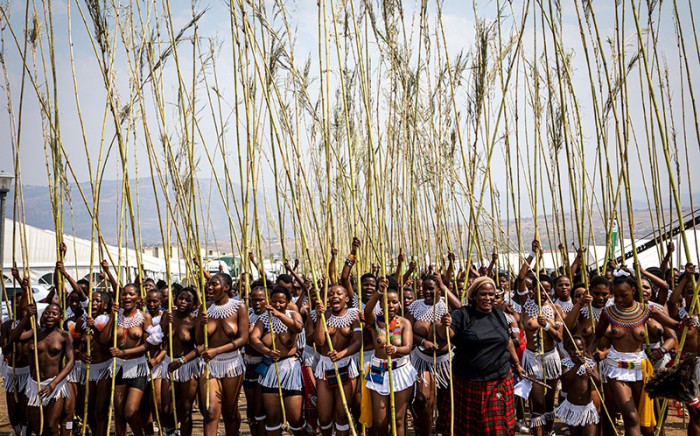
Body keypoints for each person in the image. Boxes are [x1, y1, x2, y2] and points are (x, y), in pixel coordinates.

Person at [588, 273, 687, 436]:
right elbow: (597, 335)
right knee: (631, 416)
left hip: (641, 368)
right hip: (616, 368)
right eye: (616, 295)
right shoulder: (608, 312)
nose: (619, 299)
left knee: (642, 420)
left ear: (633, 290)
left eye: (623, 295)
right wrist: (587, 354)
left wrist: (685, 323)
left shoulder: (647, 310)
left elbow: (676, 326)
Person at [437, 276, 525, 436]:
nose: (488, 298)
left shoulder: (499, 314)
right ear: (474, 296)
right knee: (469, 430)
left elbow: (507, 341)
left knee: (496, 431)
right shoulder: (462, 314)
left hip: (499, 380)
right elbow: (446, 335)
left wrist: (517, 365)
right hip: (468, 382)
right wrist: (444, 325)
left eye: (491, 294)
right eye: (483, 294)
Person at [196, 272, 249, 436]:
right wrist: (200, 322)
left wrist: (216, 351)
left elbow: (243, 339)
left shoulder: (239, 307)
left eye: (214, 284)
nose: (209, 287)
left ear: (226, 287)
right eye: (208, 284)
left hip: (232, 364)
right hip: (210, 365)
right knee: (211, 411)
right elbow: (198, 341)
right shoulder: (204, 310)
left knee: (230, 411)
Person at [406, 273, 459, 436]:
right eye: (424, 288)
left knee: (445, 400)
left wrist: (444, 287)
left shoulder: (447, 307)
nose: (426, 292)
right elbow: (406, 330)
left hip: (445, 361)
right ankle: (424, 430)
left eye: (431, 288)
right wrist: (422, 342)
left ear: (440, 289)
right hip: (421, 360)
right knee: (422, 399)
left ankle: (443, 430)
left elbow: (461, 308)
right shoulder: (415, 306)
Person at [363, 277, 416, 436]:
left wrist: (395, 349)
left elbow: (407, 347)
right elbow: (367, 311)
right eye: (387, 302)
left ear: (399, 304)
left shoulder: (404, 323)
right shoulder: (376, 321)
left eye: (394, 302)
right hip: (378, 370)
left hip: (400, 370)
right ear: (380, 304)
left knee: (399, 419)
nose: (391, 305)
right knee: (380, 421)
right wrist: (379, 291)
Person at [12, 302, 74, 436]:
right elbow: (15, 338)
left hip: (55, 385)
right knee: (37, 427)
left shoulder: (64, 335)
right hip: (35, 385)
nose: (50, 316)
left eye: (54, 313)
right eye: (47, 312)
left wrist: (54, 383)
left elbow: (71, 361)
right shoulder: (35, 333)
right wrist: (26, 317)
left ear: (60, 317)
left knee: (51, 426)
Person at [250, 286, 305, 435]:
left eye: (281, 302)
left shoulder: (294, 315)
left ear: (288, 302)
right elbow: (253, 338)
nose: (277, 305)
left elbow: (298, 328)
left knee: (295, 419)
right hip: (271, 371)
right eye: (274, 301)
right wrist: (267, 351)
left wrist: (279, 316)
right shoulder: (264, 319)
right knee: (273, 418)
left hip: (291, 369)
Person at [101, 284, 154, 436]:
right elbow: (104, 340)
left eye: (131, 294)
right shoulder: (116, 316)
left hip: (137, 367)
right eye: (124, 294)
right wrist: (112, 316)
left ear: (138, 298)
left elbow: (147, 346)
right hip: (118, 367)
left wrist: (123, 352)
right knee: (119, 414)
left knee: (130, 411)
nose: (127, 297)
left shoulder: (145, 317)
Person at [313, 284, 361, 436]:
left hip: (346, 365)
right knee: (325, 416)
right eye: (331, 294)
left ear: (346, 299)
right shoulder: (323, 315)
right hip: (325, 367)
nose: (334, 296)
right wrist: (320, 317)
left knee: (342, 414)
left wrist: (341, 354)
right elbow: (320, 342)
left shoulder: (354, 315)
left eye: (339, 293)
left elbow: (358, 342)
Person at [164, 287, 201, 436]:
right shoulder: (168, 315)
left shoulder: (194, 320)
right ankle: (171, 432)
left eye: (188, 300)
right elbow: (159, 337)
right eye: (181, 298)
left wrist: (182, 360)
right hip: (168, 364)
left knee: (185, 408)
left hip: (187, 365)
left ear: (193, 304)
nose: (183, 302)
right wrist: (166, 324)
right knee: (165, 408)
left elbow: (202, 346)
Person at [84, 290, 116, 436]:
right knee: (89, 411)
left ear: (105, 305)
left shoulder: (107, 320)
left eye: (98, 301)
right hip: (90, 369)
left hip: (105, 367)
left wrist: (94, 328)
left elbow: (105, 341)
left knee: (100, 410)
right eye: (92, 300)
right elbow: (77, 345)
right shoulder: (84, 320)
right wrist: (80, 354)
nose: (94, 303)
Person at [556, 336, 600, 436]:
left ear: (584, 350)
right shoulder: (566, 363)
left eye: (579, 349)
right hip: (572, 408)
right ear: (567, 350)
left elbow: (599, 382)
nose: (576, 352)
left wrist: (592, 373)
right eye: (573, 349)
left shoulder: (590, 363)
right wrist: (577, 366)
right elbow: (566, 379)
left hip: (587, 408)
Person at [243, 285, 267, 436]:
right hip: (249, 364)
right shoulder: (247, 315)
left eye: (261, 300)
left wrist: (252, 336)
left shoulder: (271, 318)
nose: (257, 303)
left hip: (265, 365)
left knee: (261, 407)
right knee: (251, 407)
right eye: (254, 300)